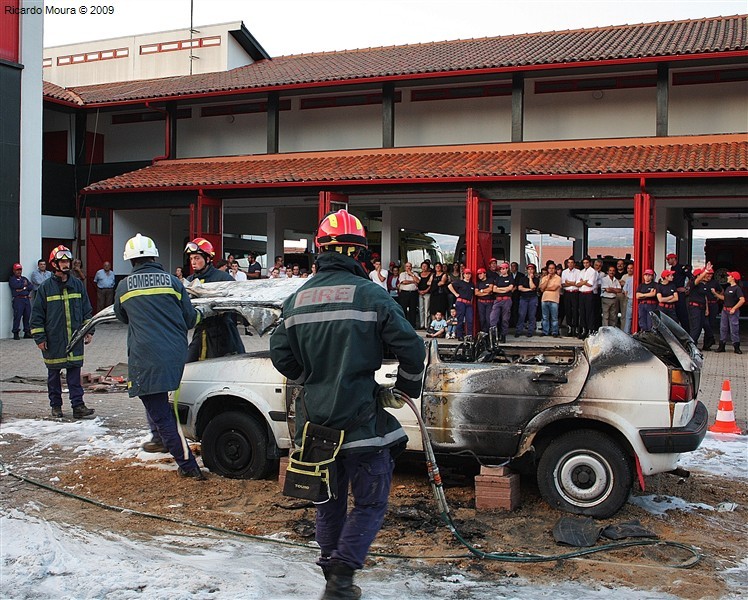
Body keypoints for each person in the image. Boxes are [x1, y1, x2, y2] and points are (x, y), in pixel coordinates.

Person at [269, 209, 425, 600]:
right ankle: (343, 573)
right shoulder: (371, 294)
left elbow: (280, 356)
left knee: (328, 501)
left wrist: (312, 375)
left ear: (319, 250)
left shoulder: (296, 299)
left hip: (315, 424)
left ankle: (330, 576)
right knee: (371, 501)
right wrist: (407, 385)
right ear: (360, 252)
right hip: (361, 423)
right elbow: (412, 347)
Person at [113, 234, 206, 477]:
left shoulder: (124, 286)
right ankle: (163, 440)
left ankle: (188, 467)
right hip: (176, 353)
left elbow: (122, 317)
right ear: (155, 256)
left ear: (130, 260)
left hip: (145, 357)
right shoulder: (173, 282)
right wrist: (203, 314)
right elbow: (189, 319)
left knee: (161, 414)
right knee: (159, 405)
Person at [30, 245, 95, 419]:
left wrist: (89, 331)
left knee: (74, 373)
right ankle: (56, 406)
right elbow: (36, 315)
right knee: (53, 374)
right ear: (55, 264)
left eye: (67, 261)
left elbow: (87, 310)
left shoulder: (77, 285)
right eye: (62, 261)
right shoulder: (45, 288)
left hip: (75, 338)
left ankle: (78, 406)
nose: (66, 264)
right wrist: (39, 338)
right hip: (54, 340)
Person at [184, 237, 245, 362]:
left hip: (224, 335)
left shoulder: (223, 278)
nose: (193, 262)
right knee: (188, 366)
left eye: (197, 258)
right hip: (201, 332)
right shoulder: (189, 281)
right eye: (191, 259)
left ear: (207, 259)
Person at [713, 272, 744, 354]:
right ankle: (722, 346)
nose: (727, 277)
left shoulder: (737, 288)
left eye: (729, 276)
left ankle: (736, 347)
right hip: (725, 310)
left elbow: (742, 300)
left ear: (733, 278)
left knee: (734, 329)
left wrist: (734, 308)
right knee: (723, 328)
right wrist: (715, 294)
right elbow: (724, 298)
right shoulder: (728, 288)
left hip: (732, 311)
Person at [489, 262, 513, 343]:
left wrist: (500, 289)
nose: (502, 270)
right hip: (498, 300)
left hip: (507, 300)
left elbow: (510, 288)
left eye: (503, 269)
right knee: (493, 318)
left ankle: (503, 335)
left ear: (507, 269)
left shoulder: (510, 278)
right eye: (501, 269)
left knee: (505, 319)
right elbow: (494, 289)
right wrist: (504, 289)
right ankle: (494, 336)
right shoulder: (498, 278)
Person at [666, 252, 692, 328]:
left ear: (674, 259)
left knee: (682, 314)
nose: (668, 261)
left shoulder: (681, 267)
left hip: (680, 294)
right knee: (674, 314)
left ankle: (687, 332)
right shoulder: (672, 269)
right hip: (673, 293)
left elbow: (692, 277)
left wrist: (687, 288)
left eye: (669, 259)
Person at [448, 268, 474, 340]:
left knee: (470, 319)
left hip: (468, 303)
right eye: (466, 274)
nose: (468, 275)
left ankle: (469, 335)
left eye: (469, 274)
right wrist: (456, 294)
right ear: (464, 275)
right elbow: (449, 286)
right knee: (460, 319)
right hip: (461, 302)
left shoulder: (472, 284)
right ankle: (459, 335)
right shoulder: (460, 282)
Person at [9, 263, 32, 340]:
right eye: (17, 270)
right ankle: (15, 332)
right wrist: (24, 286)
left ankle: (27, 331)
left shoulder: (24, 278)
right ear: (14, 271)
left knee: (27, 315)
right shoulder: (12, 279)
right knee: (17, 316)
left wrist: (23, 288)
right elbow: (16, 286)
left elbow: (30, 286)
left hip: (26, 299)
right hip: (18, 299)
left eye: (20, 270)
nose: (19, 272)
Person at [515, 263, 539, 337]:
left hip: (533, 298)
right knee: (521, 314)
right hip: (523, 298)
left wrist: (531, 279)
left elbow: (533, 287)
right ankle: (519, 331)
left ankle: (530, 332)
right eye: (529, 269)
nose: (530, 270)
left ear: (534, 270)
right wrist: (529, 289)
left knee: (531, 315)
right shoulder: (522, 278)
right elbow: (520, 288)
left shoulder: (536, 279)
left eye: (532, 269)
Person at [575, 256, 596, 339]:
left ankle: (590, 330)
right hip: (581, 293)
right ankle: (584, 330)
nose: (585, 264)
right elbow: (577, 283)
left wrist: (582, 282)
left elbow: (590, 283)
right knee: (582, 312)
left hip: (589, 293)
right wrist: (584, 281)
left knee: (589, 313)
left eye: (587, 263)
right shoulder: (581, 271)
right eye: (584, 263)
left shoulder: (593, 271)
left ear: (590, 263)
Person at [539, 261, 561, 337]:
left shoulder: (558, 278)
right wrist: (547, 279)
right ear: (547, 269)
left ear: (555, 269)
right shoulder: (544, 278)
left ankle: (554, 332)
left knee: (554, 317)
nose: (551, 270)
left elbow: (554, 288)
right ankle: (545, 331)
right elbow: (541, 289)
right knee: (545, 317)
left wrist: (545, 288)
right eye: (549, 268)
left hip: (554, 300)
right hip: (544, 299)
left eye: (553, 268)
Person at [560, 258, 580, 337]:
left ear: (574, 264)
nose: (570, 264)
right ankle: (569, 327)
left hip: (575, 293)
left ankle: (575, 327)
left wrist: (569, 282)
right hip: (567, 293)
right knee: (568, 310)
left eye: (572, 262)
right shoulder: (564, 272)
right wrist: (573, 283)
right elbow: (563, 284)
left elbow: (578, 284)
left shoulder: (578, 272)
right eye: (569, 263)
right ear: (567, 264)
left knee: (575, 310)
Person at [397, 262, 419, 328]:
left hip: (413, 293)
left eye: (409, 266)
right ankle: (403, 324)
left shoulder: (415, 274)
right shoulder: (402, 274)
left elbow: (417, 281)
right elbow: (403, 282)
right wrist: (413, 281)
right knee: (403, 308)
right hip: (404, 293)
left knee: (413, 309)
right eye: (407, 266)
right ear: (405, 267)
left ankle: (413, 325)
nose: (408, 268)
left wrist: (411, 275)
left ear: (411, 267)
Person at [474, 267, 494, 333]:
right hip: (481, 303)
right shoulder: (478, 283)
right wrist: (486, 293)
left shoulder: (490, 280)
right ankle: (483, 333)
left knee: (488, 319)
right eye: (478, 274)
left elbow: (490, 289)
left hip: (489, 302)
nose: (479, 275)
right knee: (482, 319)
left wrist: (481, 291)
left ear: (485, 273)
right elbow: (476, 293)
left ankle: (489, 333)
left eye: (481, 274)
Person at [417, 261, 434, 329]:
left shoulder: (431, 274)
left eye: (425, 266)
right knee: (421, 309)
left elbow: (431, 284)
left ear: (428, 267)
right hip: (420, 293)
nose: (424, 267)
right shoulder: (419, 274)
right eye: (423, 266)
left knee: (427, 309)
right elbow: (416, 283)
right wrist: (419, 291)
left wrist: (426, 290)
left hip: (427, 293)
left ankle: (427, 324)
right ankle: (422, 324)